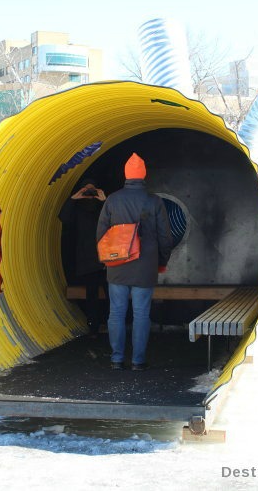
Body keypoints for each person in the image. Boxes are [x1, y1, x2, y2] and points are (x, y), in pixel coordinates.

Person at [96, 153, 173, 371]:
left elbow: (101, 233)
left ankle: (117, 359)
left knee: (116, 313)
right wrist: (161, 261)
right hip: (145, 266)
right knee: (141, 314)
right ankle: (138, 361)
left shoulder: (112, 200)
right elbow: (165, 236)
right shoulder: (153, 201)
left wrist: (106, 259)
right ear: (143, 175)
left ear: (127, 175)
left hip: (117, 266)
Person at [59, 178, 107, 337]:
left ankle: (111, 323)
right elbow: (64, 218)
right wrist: (74, 198)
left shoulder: (103, 208)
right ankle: (93, 326)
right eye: (87, 190)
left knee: (112, 294)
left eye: (92, 190)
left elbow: (116, 219)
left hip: (107, 258)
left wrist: (104, 201)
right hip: (87, 259)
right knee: (91, 295)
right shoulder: (78, 209)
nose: (90, 194)